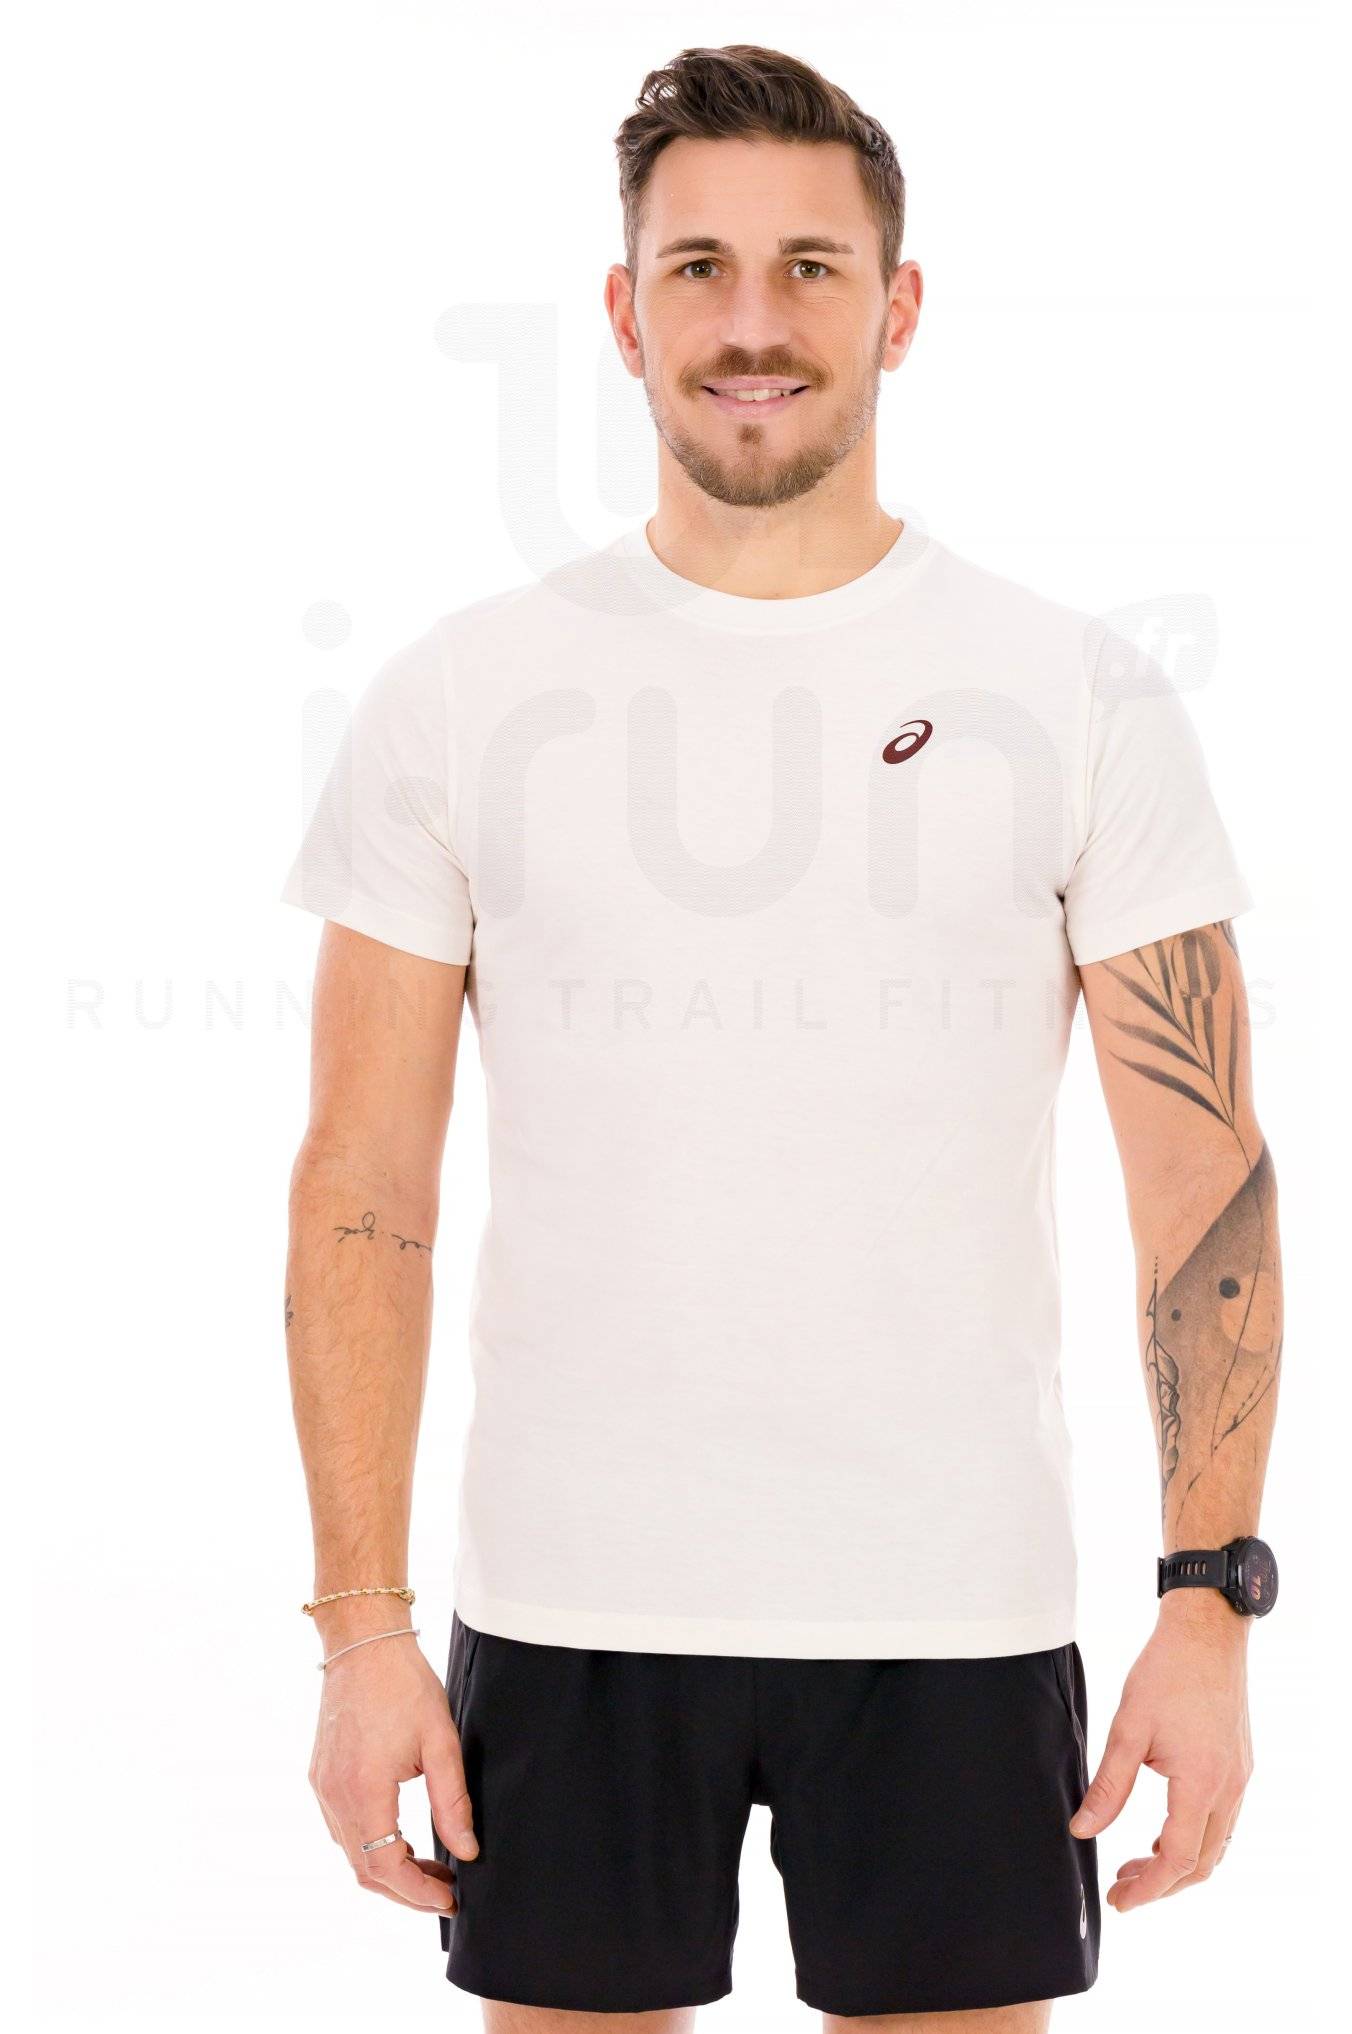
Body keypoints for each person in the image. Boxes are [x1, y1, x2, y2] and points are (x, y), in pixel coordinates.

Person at [282, 42, 1282, 2034]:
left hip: (953, 1607)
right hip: (568, 1603)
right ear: (622, 311)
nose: (754, 324)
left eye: (811, 268)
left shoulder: (1074, 696)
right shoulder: (463, 699)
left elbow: (1203, 1188)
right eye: (701, 268)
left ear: (898, 308)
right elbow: (362, 1189)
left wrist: (1209, 1604)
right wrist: (359, 1633)